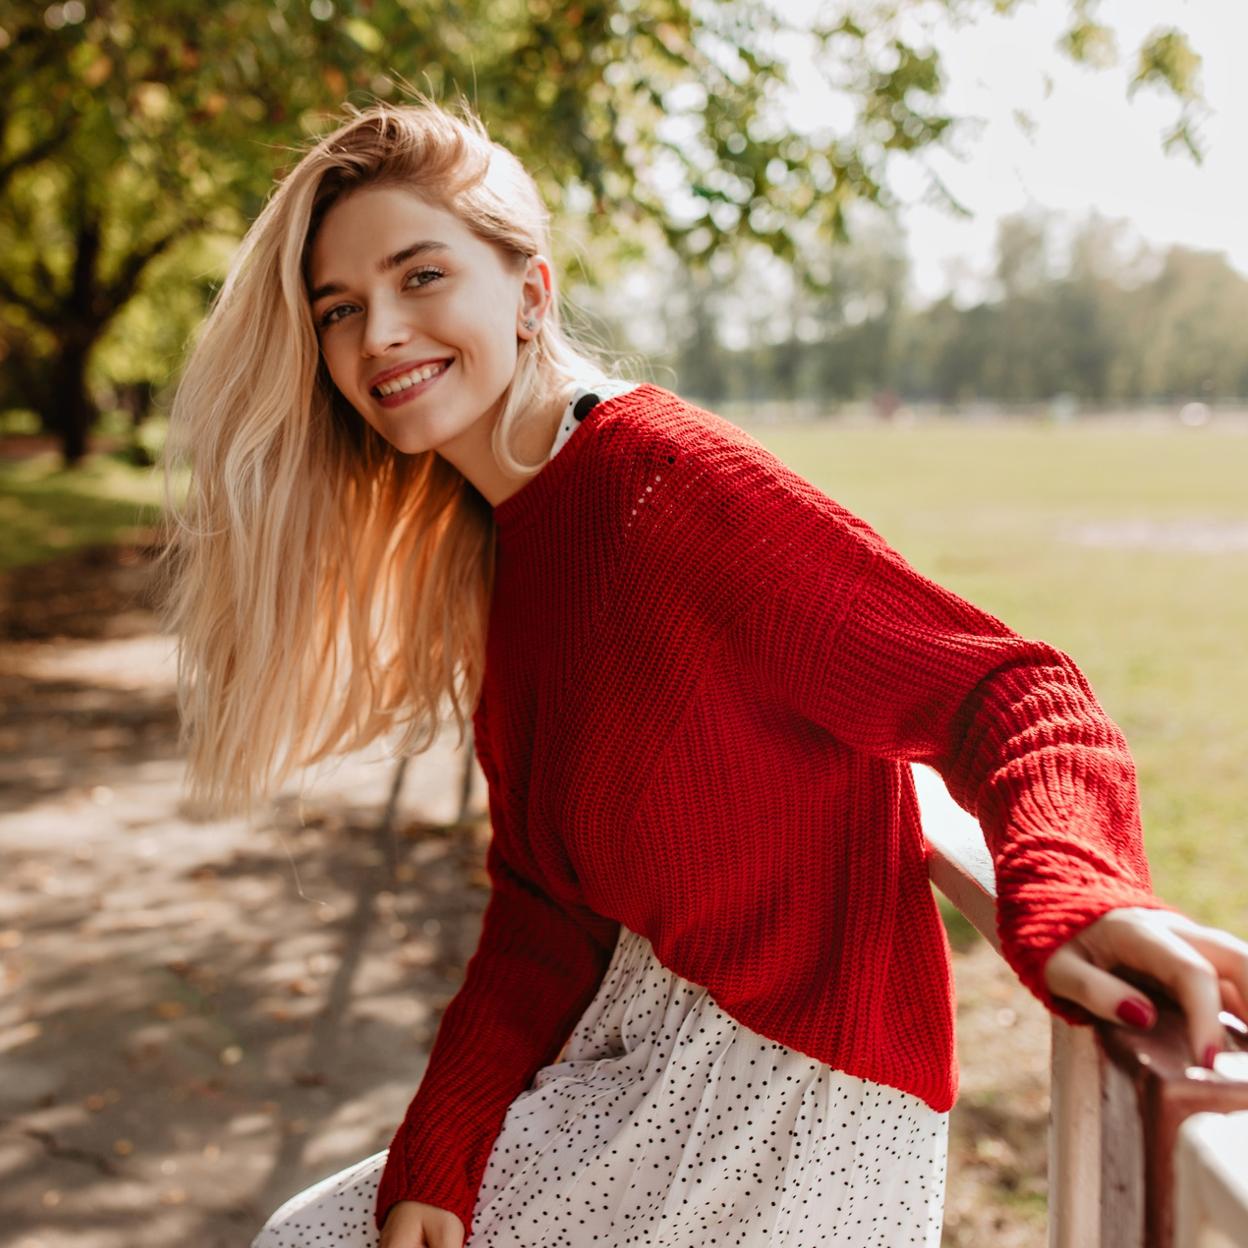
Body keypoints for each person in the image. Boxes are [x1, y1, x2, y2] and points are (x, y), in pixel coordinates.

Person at [156, 93, 1248, 1248]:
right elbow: (543, 903)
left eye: (421, 276)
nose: (378, 332)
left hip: (796, 1098)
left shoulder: (665, 485)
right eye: (341, 308)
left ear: (528, 295)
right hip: (640, 1060)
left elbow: (1007, 690)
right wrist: (444, 1147)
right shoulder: (512, 540)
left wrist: (1074, 889)